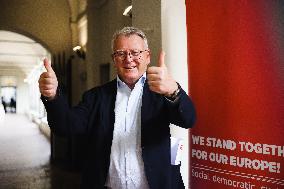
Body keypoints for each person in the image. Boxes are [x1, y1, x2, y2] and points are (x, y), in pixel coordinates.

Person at [38, 26, 196, 189]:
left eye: (136, 52)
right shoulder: (96, 97)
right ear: (114, 59)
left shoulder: (162, 92)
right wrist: (52, 96)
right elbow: (65, 126)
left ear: (147, 56)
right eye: (121, 53)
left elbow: (188, 120)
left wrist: (174, 91)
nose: (128, 59)